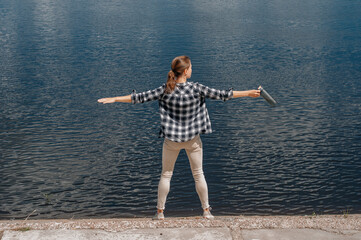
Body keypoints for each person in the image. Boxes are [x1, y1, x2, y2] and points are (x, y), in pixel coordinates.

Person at [98, 56, 260, 220]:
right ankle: (206, 211)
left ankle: (160, 213)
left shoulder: (165, 89)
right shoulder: (197, 88)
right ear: (185, 71)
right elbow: (223, 95)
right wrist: (248, 93)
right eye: (190, 68)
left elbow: (139, 97)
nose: (192, 70)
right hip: (193, 141)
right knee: (198, 174)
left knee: (166, 175)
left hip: (171, 141)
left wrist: (116, 99)